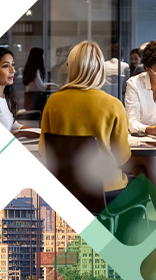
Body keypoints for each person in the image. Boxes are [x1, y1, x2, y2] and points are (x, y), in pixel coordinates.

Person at [40, 41, 131, 214]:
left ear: (71, 67)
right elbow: (122, 157)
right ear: (100, 69)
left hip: (64, 188)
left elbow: (45, 151)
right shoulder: (113, 105)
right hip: (106, 190)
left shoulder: (52, 103)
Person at [23, 47, 52, 113]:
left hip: (29, 102)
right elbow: (42, 87)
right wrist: (52, 86)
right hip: (35, 103)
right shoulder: (35, 71)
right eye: (43, 56)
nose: (44, 58)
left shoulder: (29, 69)